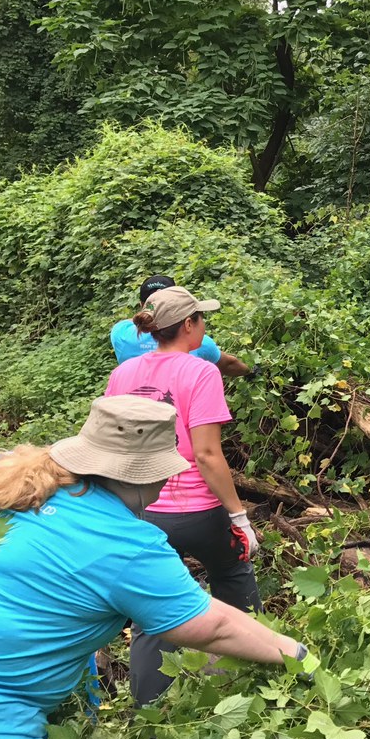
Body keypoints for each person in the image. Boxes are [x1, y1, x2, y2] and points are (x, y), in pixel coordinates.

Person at [0, 396, 307, 739]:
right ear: (145, 474)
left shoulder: (0, 471)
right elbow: (211, 626)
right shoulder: (122, 544)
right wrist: (297, 655)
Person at [104, 285, 263, 704]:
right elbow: (209, 455)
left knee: (151, 613)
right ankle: (252, 676)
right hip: (196, 509)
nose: (205, 325)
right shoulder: (201, 371)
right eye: (201, 318)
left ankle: (150, 713)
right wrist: (239, 518)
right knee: (232, 571)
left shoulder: (122, 374)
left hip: (141, 510)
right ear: (189, 325)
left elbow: (113, 446)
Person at [111, 274, 250, 378]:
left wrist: (150, 314)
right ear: (188, 323)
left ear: (142, 306)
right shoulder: (201, 347)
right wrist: (250, 372)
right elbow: (229, 365)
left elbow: (132, 321)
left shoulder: (120, 334)